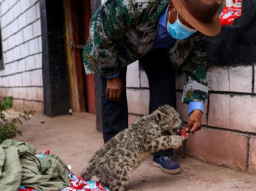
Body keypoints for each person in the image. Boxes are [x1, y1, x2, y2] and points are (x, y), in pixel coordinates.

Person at [83, 0, 222, 175]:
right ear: (171, 6)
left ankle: (162, 153)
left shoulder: (195, 30)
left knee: (164, 85)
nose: (189, 30)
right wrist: (111, 75)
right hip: (118, 42)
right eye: (186, 22)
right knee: (113, 94)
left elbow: (197, 68)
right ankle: (113, 161)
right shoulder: (135, 3)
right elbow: (101, 29)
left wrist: (196, 109)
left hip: (157, 47)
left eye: (194, 26)